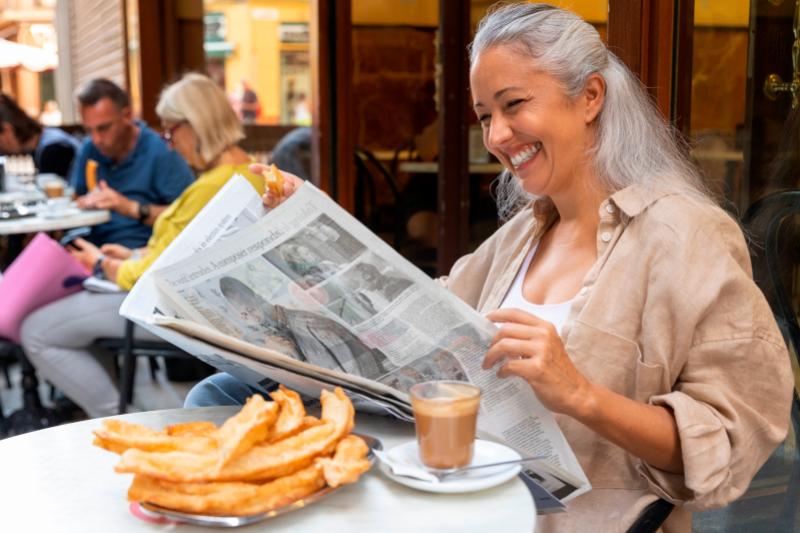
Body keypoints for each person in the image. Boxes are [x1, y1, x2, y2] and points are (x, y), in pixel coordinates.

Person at [184, 5, 794, 532]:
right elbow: (411, 310)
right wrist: (312, 241)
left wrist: (580, 394)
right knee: (223, 396)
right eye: (483, 115)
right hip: (457, 500)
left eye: (514, 104)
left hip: (580, 521)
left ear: (589, 97)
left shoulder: (685, 234)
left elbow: (732, 436)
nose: (498, 136)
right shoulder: (522, 236)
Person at [20, 73, 268, 418]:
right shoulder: (253, 172)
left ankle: (118, 417)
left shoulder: (212, 186)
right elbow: (183, 253)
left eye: (170, 131)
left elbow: (156, 276)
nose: (168, 142)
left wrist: (100, 264)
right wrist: (133, 253)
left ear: (194, 125)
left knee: (35, 330)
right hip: (184, 300)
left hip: (164, 310)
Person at [71, 79, 195, 249]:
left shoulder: (161, 152)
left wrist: (127, 207)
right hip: (94, 247)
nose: (96, 139)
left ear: (127, 116)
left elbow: (189, 218)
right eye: (88, 130)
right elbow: (77, 197)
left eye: (104, 128)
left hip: (141, 253)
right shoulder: (89, 148)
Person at [218, 276, 393, 380]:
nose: (253, 319)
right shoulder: (267, 338)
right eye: (244, 317)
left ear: (259, 299)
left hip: (347, 397)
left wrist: (284, 360)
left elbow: (351, 386)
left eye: (250, 309)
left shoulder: (308, 325)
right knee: (215, 384)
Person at [0, 94, 81, 178]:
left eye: (1, 141)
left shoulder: (53, 149)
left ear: (8, 130)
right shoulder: (38, 145)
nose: (3, 146)